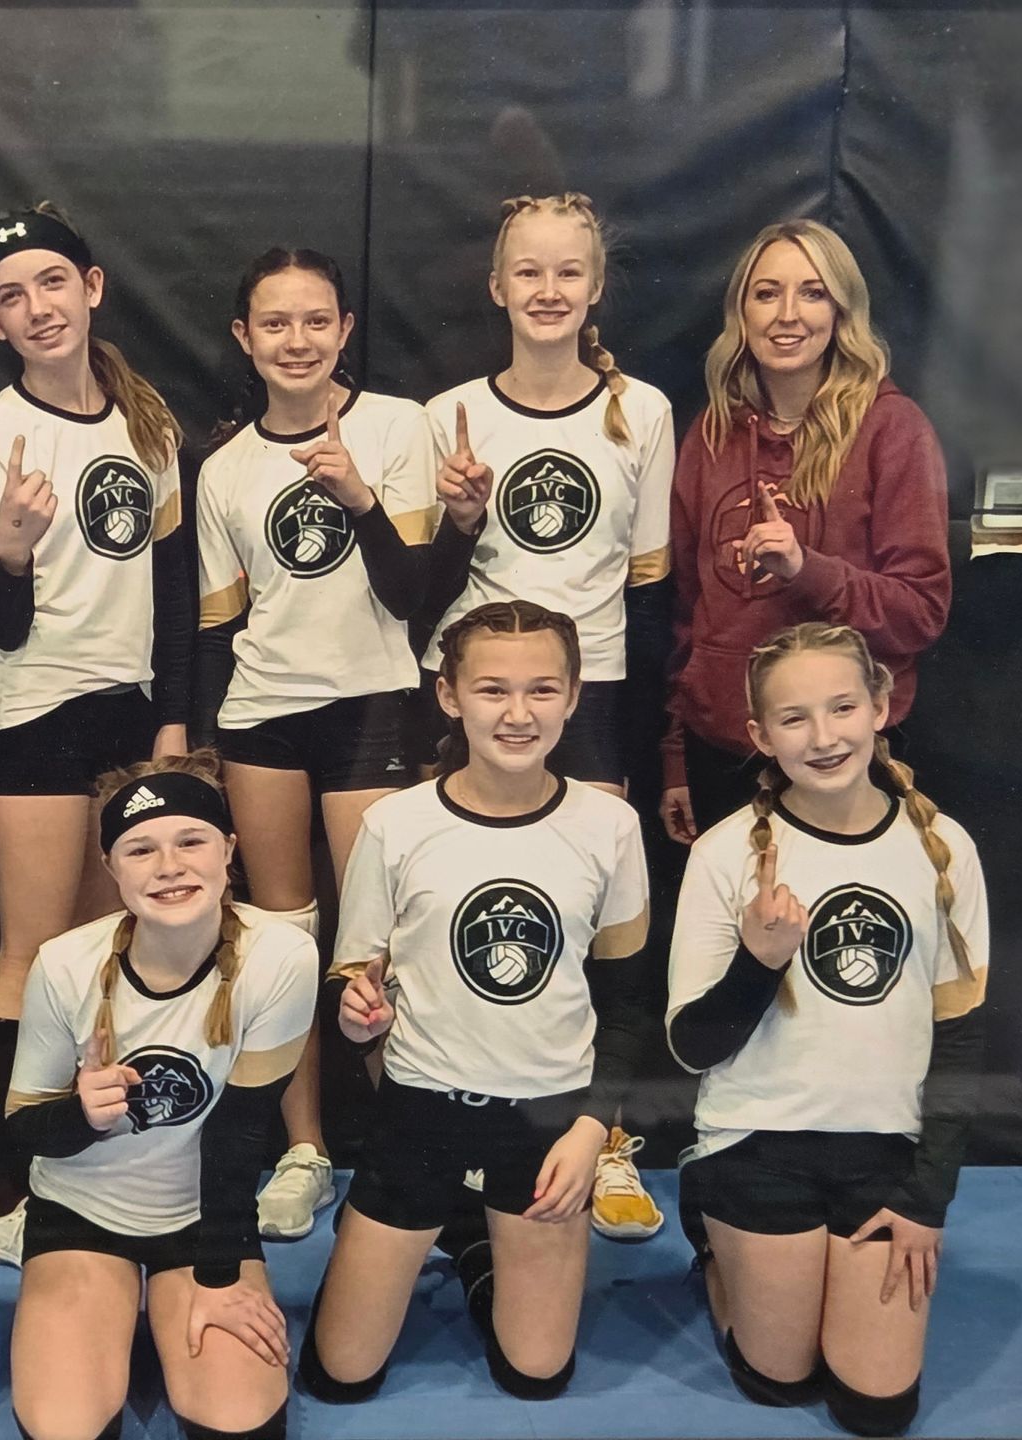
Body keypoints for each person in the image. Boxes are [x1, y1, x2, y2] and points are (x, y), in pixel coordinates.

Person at [302, 601, 651, 1404]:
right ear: (450, 696)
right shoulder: (394, 825)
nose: (518, 714)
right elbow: (351, 976)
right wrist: (357, 1014)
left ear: (574, 696)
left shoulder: (610, 827)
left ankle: (478, 1246)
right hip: (419, 1112)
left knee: (537, 1375)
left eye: (541, 690)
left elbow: (628, 1004)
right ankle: (457, 1227)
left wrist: (591, 1131)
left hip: (549, 1119)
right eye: (493, 690)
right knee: (340, 1376)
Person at [423, 191, 674, 1240]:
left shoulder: (642, 412)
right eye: (528, 271)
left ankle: (601, 1134)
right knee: (477, 910)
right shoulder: (450, 415)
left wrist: (654, 743)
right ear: (497, 287)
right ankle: (453, 1141)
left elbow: (650, 591)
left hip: (594, 695)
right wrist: (461, 520)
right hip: (476, 698)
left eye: (569, 271)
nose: (548, 290)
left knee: (591, 925)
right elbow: (421, 589)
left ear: (597, 286)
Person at [666, 622, 987, 1436]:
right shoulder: (724, 854)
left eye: (842, 707)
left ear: (881, 705)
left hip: (884, 1152)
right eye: (794, 717)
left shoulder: (944, 848)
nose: (822, 736)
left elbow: (962, 1037)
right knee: (779, 1381)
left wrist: (928, 1200)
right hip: (756, 1142)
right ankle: (712, 1232)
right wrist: (758, 961)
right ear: (760, 735)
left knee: (875, 1411)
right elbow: (692, 1046)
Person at [0, 201, 195, 1264]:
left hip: (129, 719)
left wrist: (174, 719)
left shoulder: (148, 421)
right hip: (37, 718)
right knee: (34, 953)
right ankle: (1, 1194)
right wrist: (10, 551)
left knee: (107, 954)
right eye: (12, 296)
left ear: (92, 287)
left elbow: (175, 588)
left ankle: (77, 1167)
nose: (38, 307)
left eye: (53, 282)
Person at [191, 246, 435, 1240]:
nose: (297, 340)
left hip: (373, 704)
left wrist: (359, 498)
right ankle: (304, 1149)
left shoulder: (397, 426)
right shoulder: (224, 469)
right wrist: (202, 742)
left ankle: (409, 1139)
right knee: (283, 939)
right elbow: (219, 629)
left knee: (380, 934)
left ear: (345, 329)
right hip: (263, 717)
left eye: (316, 320)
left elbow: (415, 595)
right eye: (275, 323)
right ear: (244, 338)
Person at [4, 753, 315, 1440]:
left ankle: (162, 1313)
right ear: (111, 868)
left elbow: (240, 1133)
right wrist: (81, 1117)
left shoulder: (281, 956)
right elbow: (20, 1131)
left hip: (201, 1218)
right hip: (81, 1212)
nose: (169, 867)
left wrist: (219, 1277)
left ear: (229, 849)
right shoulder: (65, 964)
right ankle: (106, 1316)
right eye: (141, 849)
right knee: (63, 1427)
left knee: (237, 1419)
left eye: (190, 841)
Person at [660, 219, 951, 846]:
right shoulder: (712, 432)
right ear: (741, 311)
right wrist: (676, 757)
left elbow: (921, 613)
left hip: (840, 753)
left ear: (842, 310)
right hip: (723, 751)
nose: (787, 314)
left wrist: (805, 569)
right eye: (767, 293)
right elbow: (688, 614)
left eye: (812, 293)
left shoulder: (892, 429)